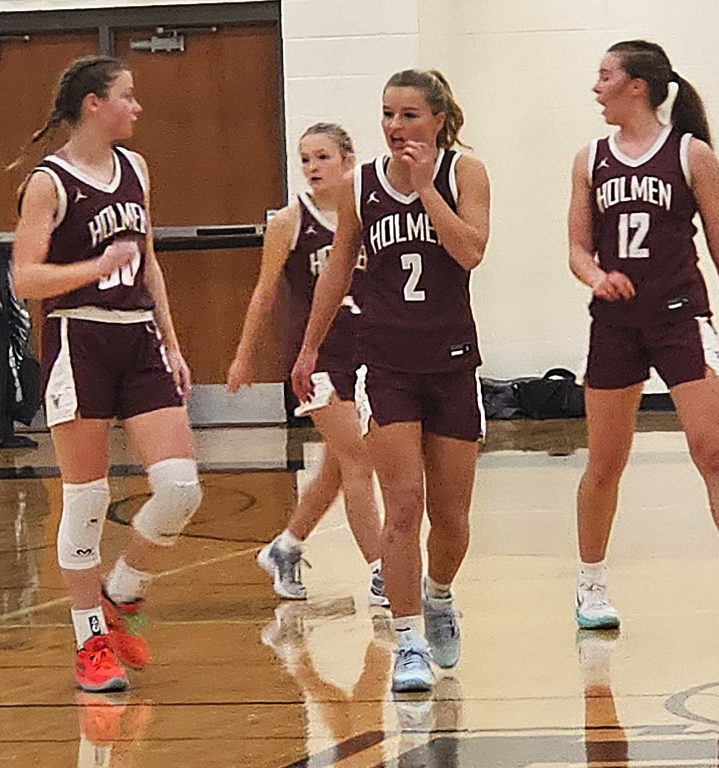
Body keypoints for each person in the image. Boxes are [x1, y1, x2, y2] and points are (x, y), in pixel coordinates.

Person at [567, 40, 719, 633]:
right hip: (614, 325)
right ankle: (590, 588)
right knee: (606, 463)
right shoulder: (590, 159)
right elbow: (577, 248)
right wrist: (596, 276)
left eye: (605, 76)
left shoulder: (691, 155)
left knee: (714, 451)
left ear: (637, 85)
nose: (596, 86)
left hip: (681, 317)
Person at [291, 69, 490, 692]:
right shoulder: (360, 186)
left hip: (454, 360)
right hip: (387, 363)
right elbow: (337, 268)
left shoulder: (465, 173)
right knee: (403, 506)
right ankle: (406, 641)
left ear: (437, 118)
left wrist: (428, 189)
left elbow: (471, 251)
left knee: (452, 518)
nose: (396, 126)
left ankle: (437, 596)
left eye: (408, 115)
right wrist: (309, 348)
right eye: (387, 114)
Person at [12, 56, 202, 692]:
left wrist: (172, 343)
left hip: (139, 337)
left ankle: (122, 592)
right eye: (128, 96)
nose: (137, 107)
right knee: (87, 499)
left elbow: (149, 264)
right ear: (94, 104)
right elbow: (23, 278)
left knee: (180, 489)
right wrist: (93, 267)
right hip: (78, 337)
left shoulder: (136, 169)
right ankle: (90, 639)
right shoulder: (49, 182)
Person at [226, 123, 386, 608]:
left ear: (347, 162)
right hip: (313, 358)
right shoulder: (290, 221)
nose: (313, 168)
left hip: (368, 352)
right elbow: (264, 292)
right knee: (360, 459)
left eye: (322, 158)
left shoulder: (369, 214)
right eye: (306, 159)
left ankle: (286, 546)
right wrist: (243, 355)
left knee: (338, 468)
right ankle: (383, 571)